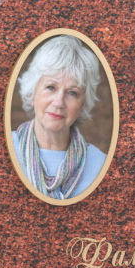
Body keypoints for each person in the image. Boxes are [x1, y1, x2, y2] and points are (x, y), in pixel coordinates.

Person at [12, 34, 107, 199]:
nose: (59, 102)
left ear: (83, 104)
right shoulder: (3, 150)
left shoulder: (100, 164)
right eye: (51, 87)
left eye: (72, 93)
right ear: (33, 91)